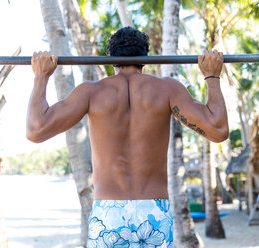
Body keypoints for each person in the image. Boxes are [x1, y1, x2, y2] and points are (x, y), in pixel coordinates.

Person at [27, 27, 228, 248]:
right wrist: (212, 75)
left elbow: (36, 131)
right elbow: (217, 130)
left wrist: (41, 77)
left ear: (111, 59)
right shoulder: (167, 89)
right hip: (154, 212)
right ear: (144, 58)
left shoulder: (92, 93)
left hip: (108, 215)